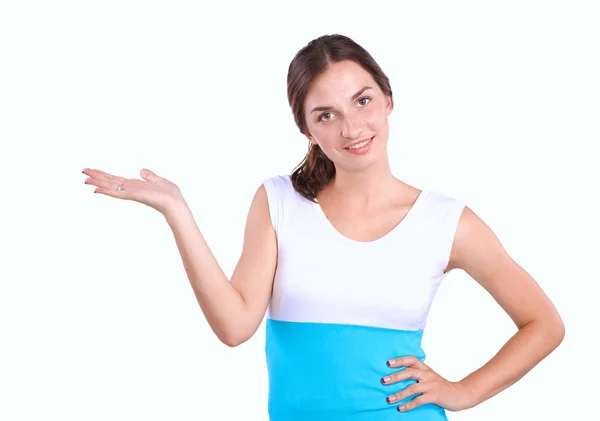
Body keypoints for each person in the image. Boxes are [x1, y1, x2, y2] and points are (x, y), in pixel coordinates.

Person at [82, 34, 565, 420]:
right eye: (326, 115)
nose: (351, 129)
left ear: (388, 100)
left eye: (363, 101)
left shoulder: (445, 221)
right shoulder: (278, 202)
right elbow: (234, 327)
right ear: (307, 130)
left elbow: (544, 325)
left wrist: (464, 392)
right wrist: (177, 210)